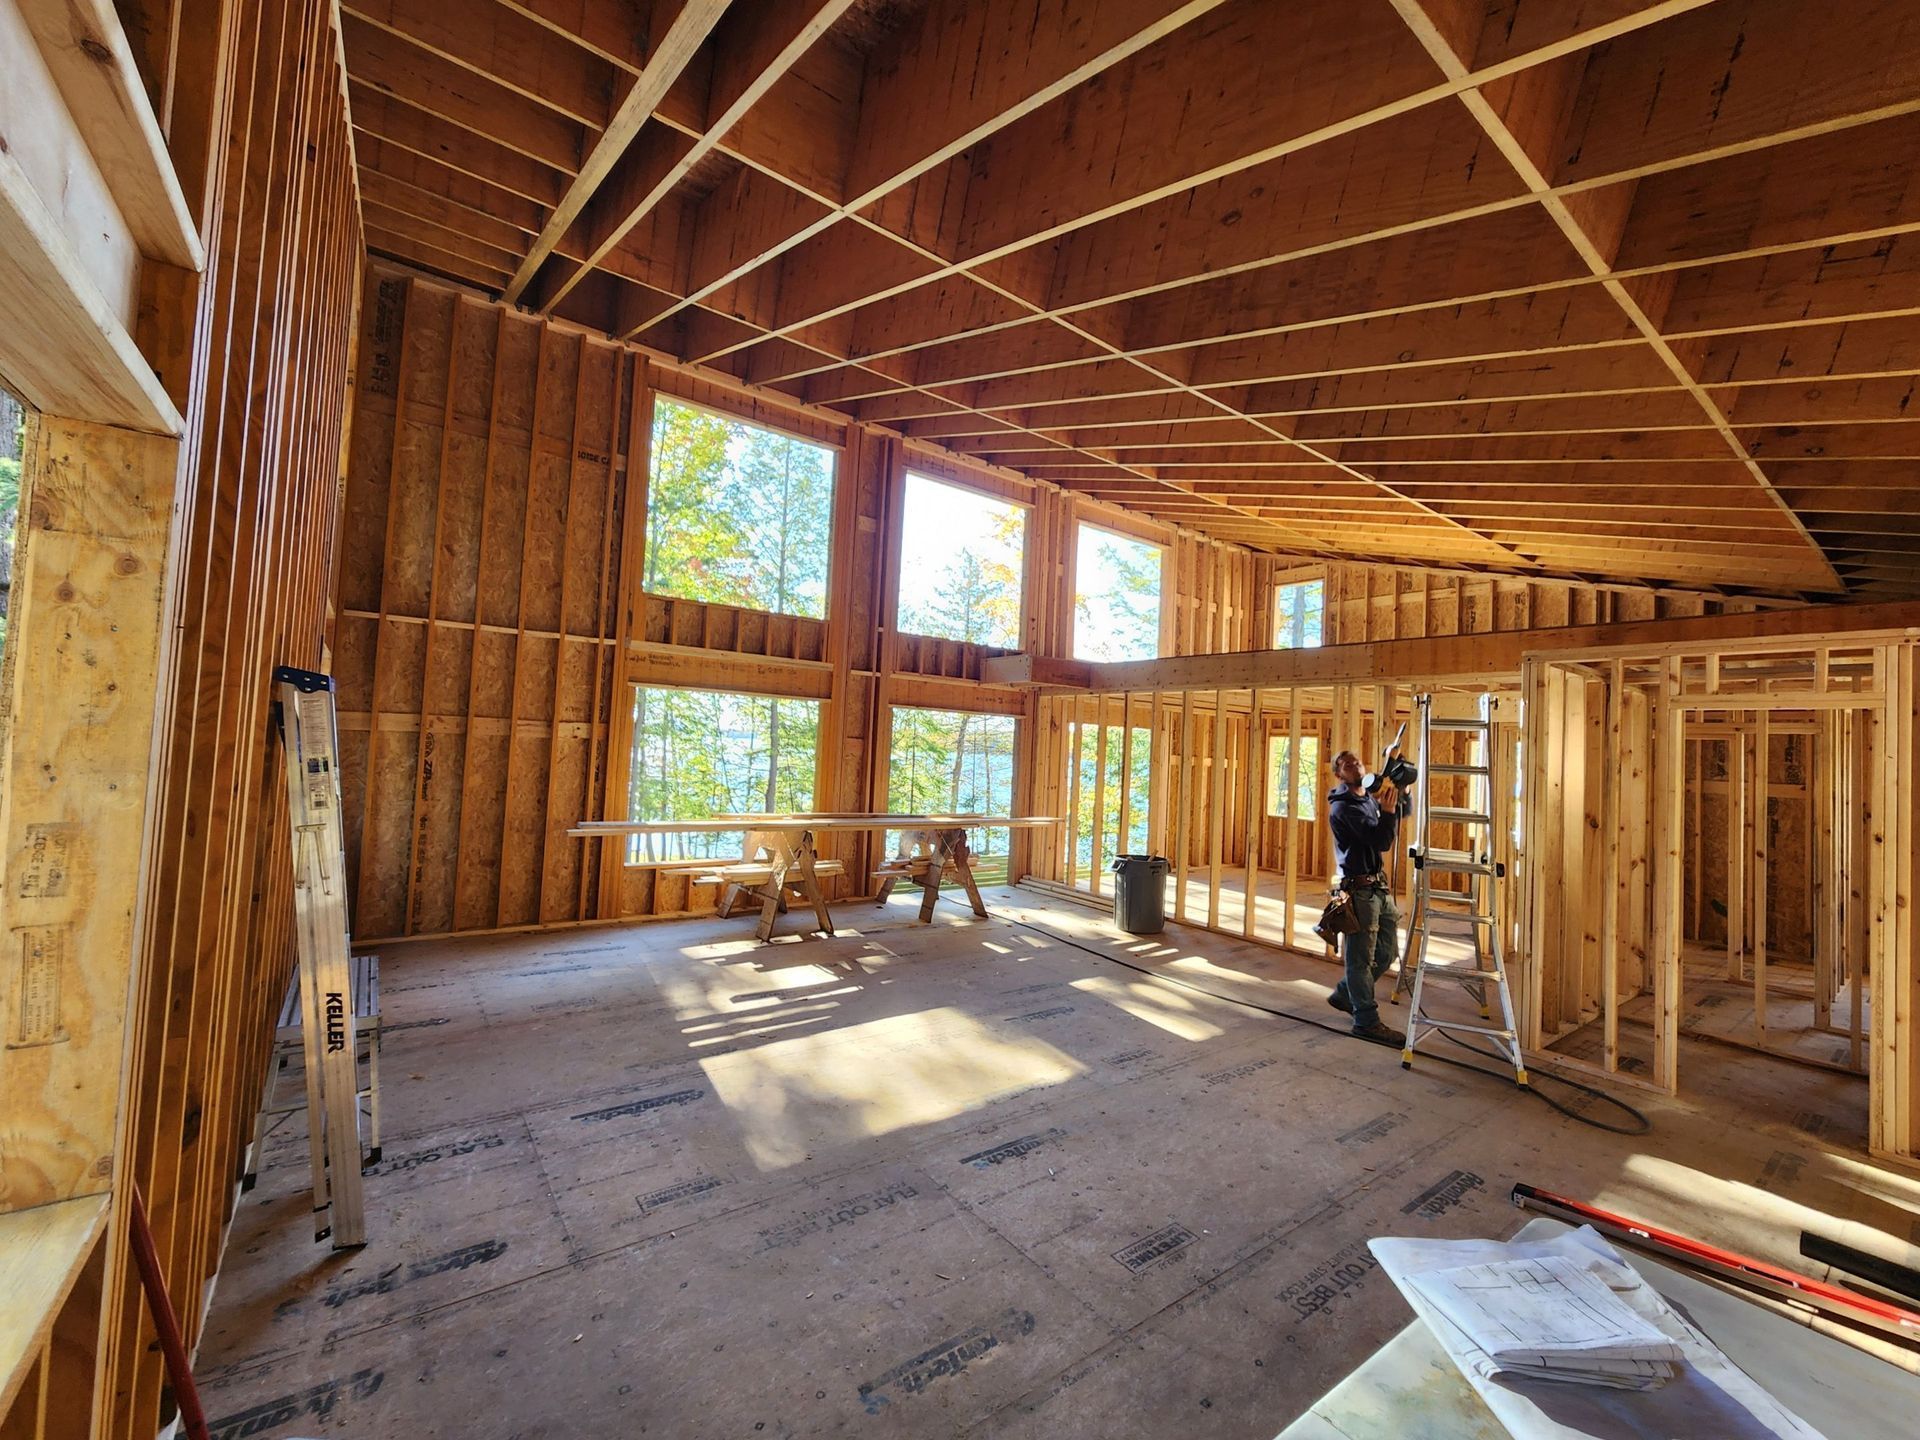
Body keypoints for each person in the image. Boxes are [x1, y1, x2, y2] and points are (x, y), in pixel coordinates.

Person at [1325, 748, 1405, 1046]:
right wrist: (1385, 814)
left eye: (1357, 761)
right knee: (1359, 960)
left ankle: (1347, 994)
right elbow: (1381, 840)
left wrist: (1400, 790)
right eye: (1346, 765)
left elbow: (1399, 814)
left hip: (1378, 889)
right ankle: (1366, 1021)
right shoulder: (1344, 808)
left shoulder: (1367, 799)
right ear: (1339, 774)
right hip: (1359, 892)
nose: (1354, 766)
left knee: (1386, 951)